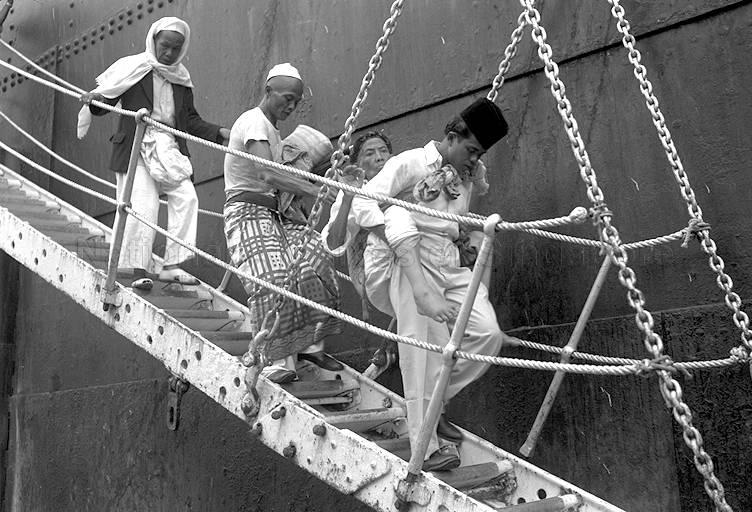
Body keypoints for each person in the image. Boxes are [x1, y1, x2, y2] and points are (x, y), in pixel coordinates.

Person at [351, 97, 513, 471]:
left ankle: (434, 404)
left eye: (480, 154)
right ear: (452, 137)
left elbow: (456, 220)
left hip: (448, 262)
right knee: (420, 351)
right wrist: (393, 232)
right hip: (407, 259)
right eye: (472, 150)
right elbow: (362, 202)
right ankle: (425, 446)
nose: (475, 160)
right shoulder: (410, 163)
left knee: (486, 335)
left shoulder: (466, 177)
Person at [78, 16, 230, 289]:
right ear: (154, 40)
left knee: (187, 198)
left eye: (176, 48)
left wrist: (220, 132)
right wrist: (94, 101)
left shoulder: (181, 79)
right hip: (136, 145)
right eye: (165, 46)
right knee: (144, 206)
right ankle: (138, 270)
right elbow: (108, 99)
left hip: (168, 147)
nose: (169, 53)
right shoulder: (135, 68)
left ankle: (172, 265)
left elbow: (190, 120)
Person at [223, 63, 342, 383]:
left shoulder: (273, 131)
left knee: (314, 260)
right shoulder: (254, 122)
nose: (291, 106)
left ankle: (310, 346)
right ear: (268, 91)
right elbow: (266, 172)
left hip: (274, 216)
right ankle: (274, 359)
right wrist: (314, 190)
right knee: (272, 276)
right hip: (246, 213)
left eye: (296, 101)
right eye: (287, 98)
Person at [321, 131, 393, 314]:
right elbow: (334, 244)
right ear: (358, 165)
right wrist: (348, 198)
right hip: (374, 273)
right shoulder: (357, 191)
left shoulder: (403, 179)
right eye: (370, 153)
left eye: (383, 151)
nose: (379, 157)